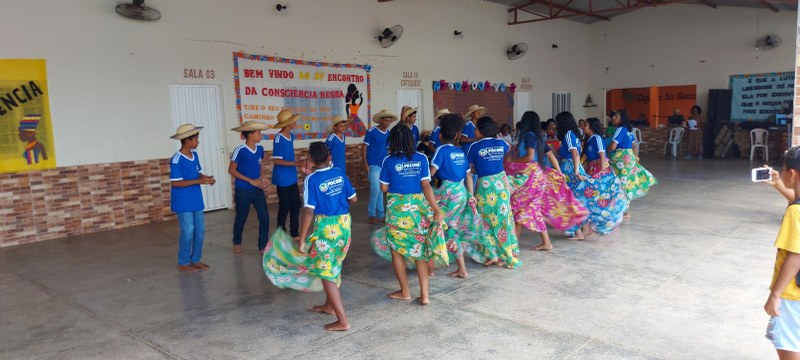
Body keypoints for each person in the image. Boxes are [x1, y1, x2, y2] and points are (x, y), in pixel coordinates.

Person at [262, 142, 357, 331]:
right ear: (329, 157)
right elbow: (353, 199)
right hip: (344, 225)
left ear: (311, 159)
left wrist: (302, 239)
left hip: (326, 228)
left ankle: (343, 321)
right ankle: (329, 306)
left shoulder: (311, 180)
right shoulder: (338, 172)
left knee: (326, 271)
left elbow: (308, 212)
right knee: (332, 265)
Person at [370, 125, 446, 305]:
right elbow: (426, 186)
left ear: (393, 141)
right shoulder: (421, 158)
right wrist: (436, 209)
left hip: (397, 208)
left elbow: (384, 188)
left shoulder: (388, 160)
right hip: (418, 207)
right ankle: (425, 295)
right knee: (420, 252)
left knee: (397, 250)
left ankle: (405, 292)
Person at [506, 111, 588, 251]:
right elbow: (552, 157)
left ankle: (513, 246)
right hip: (538, 175)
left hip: (530, 176)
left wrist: (512, 160)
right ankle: (542, 243)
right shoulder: (539, 138)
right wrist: (560, 173)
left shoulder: (529, 136)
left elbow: (530, 157)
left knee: (518, 206)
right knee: (530, 208)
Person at [556, 111, 628, 239]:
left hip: (570, 170)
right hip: (575, 168)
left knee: (574, 199)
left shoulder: (569, 134)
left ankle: (579, 231)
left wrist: (578, 171)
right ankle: (581, 230)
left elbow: (575, 154)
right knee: (578, 198)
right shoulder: (578, 136)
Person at [429, 113, 484, 278]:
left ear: (440, 135)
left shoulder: (441, 150)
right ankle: (461, 269)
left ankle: (430, 267)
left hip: (447, 191)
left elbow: (430, 174)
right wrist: (471, 195)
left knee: (434, 224)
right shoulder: (460, 152)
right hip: (461, 192)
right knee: (453, 228)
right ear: (456, 136)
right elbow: (468, 176)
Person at [467, 117, 520, 268]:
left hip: (485, 186)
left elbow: (470, 169)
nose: (474, 131)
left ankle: (492, 254)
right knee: (502, 219)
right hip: (501, 184)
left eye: (476, 128)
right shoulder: (502, 143)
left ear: (482, 130)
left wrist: (480, 167)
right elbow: (509, 150)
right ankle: (504, 254)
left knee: (485, 220)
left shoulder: (474, 146)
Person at [764, 146, 800, 359]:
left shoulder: (795, 213)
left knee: (790, 348)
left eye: (783, 170)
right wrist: (778, 182)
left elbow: (796, 257)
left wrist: (774, 295)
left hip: (792, 294)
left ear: (792, 173)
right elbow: (795, 198)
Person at [169, 123, 216, 272]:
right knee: (188, 230)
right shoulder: (177, 159)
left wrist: (206, 178)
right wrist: (199, 181)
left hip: (195, 199)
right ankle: (183, 261)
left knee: (200, 230)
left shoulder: (194, 155)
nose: (198, 142)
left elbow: (198, 173)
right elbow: (176, 183)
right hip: (183, 201)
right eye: (195, 139)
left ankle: (195, 259)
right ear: (186, 140)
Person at [230, 120, 272, 255]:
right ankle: (237, 242)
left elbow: (258, 165)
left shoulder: (260, 149)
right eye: (258, 133)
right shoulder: (240, 150)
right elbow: (231, 170)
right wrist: (250, 181)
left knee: (264, 217)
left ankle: (262, 246)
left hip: (257, 189)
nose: (261, 136)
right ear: (250, 135)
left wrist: (262, 177)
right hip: (243, 190)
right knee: (241, 217)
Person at [607, 109, 658, 211]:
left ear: (621, 119)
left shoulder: (620, 129)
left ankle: (619, 209)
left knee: (616, 182)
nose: (613, 118)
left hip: (620, 158)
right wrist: (635, 157)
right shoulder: (629, 130)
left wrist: (605, 153)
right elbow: (634, 145)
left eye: (616, 116)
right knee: (626, 182)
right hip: (629, 157)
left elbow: (613, 146)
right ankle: (625, 210)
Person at [272, 110, 306, 242]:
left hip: (291, 176)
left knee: (296, 204)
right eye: (293, 120)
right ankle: (280, 233)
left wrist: (298, 165)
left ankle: (294, 232)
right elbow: (277, 160)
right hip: (282, 177)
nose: (295, 122)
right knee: (284, 206)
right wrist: (297, 163)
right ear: (288, 123)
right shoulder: (279, 138)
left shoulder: (291, 136)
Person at [363, 109, 395, 224]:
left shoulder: (388, 133)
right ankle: (371, 215)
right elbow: (364, 148)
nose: (387, 123)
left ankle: (381, 215)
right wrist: (365, 163)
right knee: (375, 191)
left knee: (382, 191)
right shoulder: (371, 131)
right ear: (380, 120)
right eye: (385, 120)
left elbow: (387, 148)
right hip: (373, 165)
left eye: (389, 121)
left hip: (383, 165)